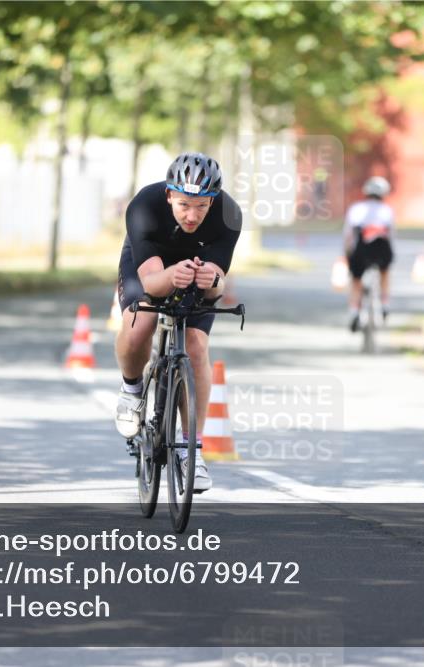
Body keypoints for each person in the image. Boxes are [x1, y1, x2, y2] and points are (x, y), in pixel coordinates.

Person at [114, 152, 242, 493]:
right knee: (141, 323)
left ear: (213, 201)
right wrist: (173, 274)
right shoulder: (145, 205)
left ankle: (192, 450)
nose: (192, 215)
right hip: (151, 267)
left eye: (202, 206)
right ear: (169, 194)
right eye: (184, 204)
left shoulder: (229, 215)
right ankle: (132, 390)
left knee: (197, 345)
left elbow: (218, 284)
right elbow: (153, 282)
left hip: (195, 271)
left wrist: (210, 280)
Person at [344, 175, 394, 331]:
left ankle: (354, 311)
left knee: (356, 280)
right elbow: (391, 235)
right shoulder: (387, 211)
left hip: (361, 248)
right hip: (382, 248)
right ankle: (385, 304)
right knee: (385, 272)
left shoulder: (357, 209)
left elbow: (348, 234)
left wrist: (347, 253)